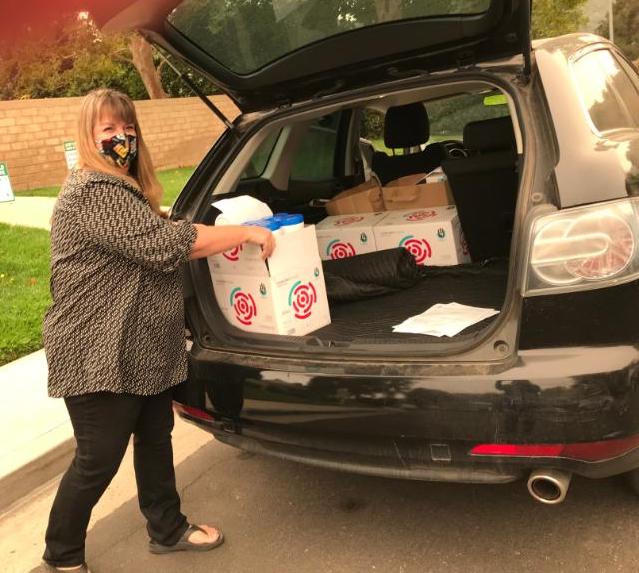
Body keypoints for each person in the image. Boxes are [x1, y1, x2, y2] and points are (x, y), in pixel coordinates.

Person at [33, 88, 275, 573]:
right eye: (108, 129)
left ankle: (167, 529)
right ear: (87, 135)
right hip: (97, 351)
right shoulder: (92, 190)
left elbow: (148, 234)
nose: (121, 137)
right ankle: (61, 554)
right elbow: (164, 245)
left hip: (141, 347)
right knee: (98, 459)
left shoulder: (124, 191)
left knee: (155, 439)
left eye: (128, 128)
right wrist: (244, 232)